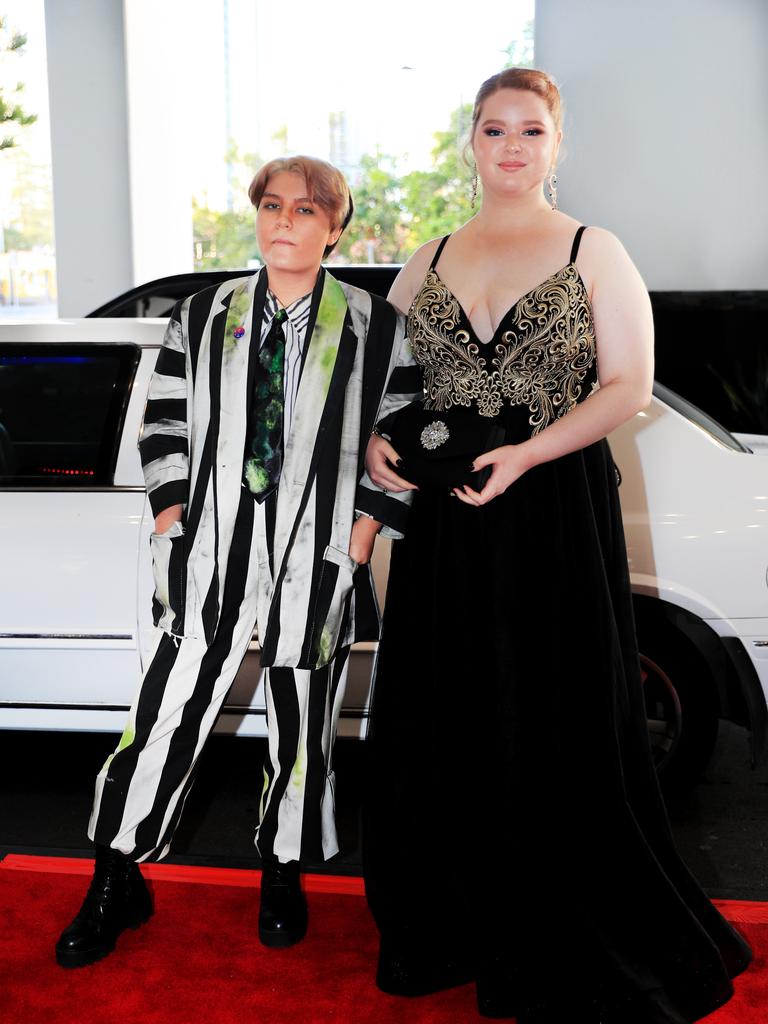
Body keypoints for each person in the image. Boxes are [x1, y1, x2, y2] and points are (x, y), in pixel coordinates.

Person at [361, 68, 752, 1022]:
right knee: (451, 709)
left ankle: (562, 918)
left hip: (553, 509)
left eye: (530, 131)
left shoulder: (592, 251)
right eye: (494, 130)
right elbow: (403, 392)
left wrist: (529, 454)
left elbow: (630, 386)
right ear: (472, 142)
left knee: (554, 708)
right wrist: (380, 443)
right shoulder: (426, 259)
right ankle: (459, 916)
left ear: (557, 145)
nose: (511, 147)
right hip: (453, 522)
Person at [55, 155, 419, 967]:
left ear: (334, 226)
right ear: (257, 216)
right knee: (162, 718)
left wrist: (362, 536)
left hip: (318, 553)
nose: (285, 221)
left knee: (302, 725)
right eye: (272, 206)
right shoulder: (204, 313)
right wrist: (173, 518)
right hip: (209, 553)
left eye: (306, 210)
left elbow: (405, 436)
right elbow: (163, 422)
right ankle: (117, 874)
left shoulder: (375, 325)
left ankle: (282, 869)